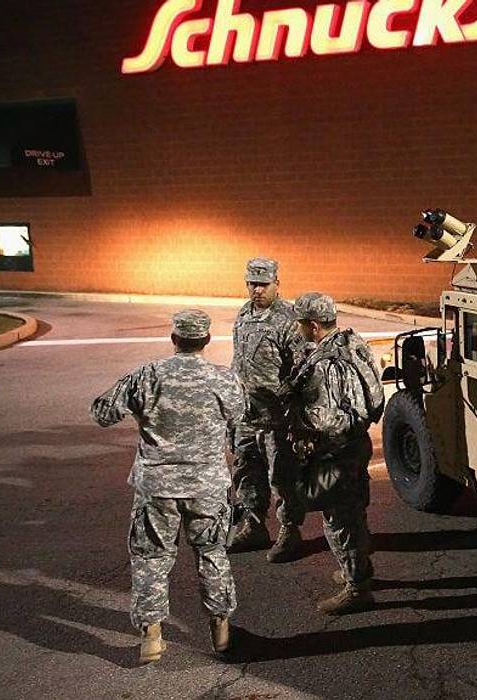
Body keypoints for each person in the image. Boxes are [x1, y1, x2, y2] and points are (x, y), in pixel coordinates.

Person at [91, 309, 244, 664]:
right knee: (212, 554)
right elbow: (240, 418)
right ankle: (221, 630)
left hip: (157, 487)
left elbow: (102, 413)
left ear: (174, 339)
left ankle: (151, 638)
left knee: (151, 559)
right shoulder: (224, 379)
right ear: (206, 340)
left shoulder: (149, 375)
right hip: (207, 486)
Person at [288, 292, 384, 615]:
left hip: (335, 453)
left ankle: (357, 588)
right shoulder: (353, 344)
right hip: (357, 445)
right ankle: (355, 569)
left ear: (314, 326)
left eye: (301, 323)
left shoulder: (325, 366)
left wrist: (299, 417)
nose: (298, 328)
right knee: (355, 511)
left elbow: (324, 418)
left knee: (340, 519)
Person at [227, 257, 307, 562]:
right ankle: (254, 525)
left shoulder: (289, 319)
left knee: (283, 476)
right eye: (252, 283)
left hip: (277, 416)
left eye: (263, 284)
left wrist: (293, 412)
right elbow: (239, 361)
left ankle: (290, 531)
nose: (257, 290)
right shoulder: (243, 315)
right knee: (246, 469)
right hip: (247, 414)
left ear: (277, 283)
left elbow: (301, 369)